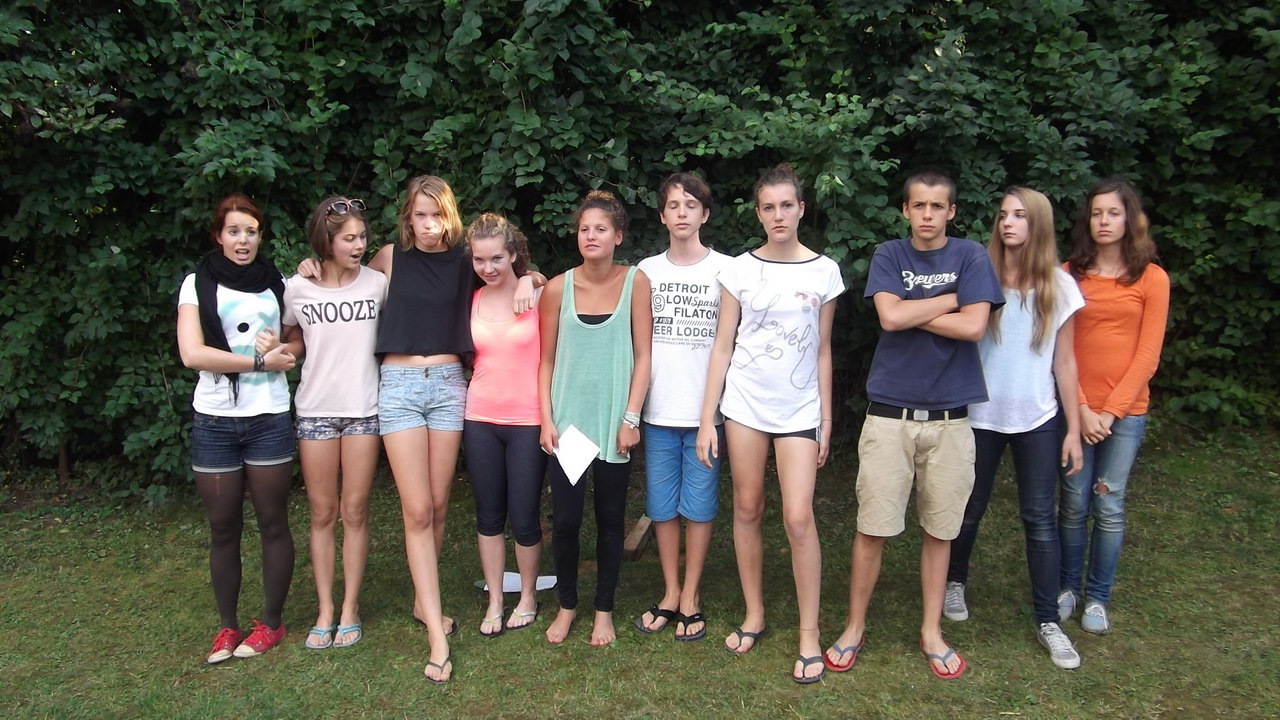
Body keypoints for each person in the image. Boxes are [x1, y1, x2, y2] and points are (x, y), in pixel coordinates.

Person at [296, 176, 537, 682]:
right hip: (399, 386)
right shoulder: (389, 258)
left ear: (451, 216)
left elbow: (512, 274)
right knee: (418, 509)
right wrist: (310, 266)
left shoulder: (466, 262)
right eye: (420, 215)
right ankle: (436, 634)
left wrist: (527, 279)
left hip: (449, 386)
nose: (429, 225)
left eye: (438, 214)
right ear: (408, 216)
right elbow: (343, 273)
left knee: (439, 505)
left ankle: (419, 601)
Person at [825, 170, 1003, 680]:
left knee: (940, 531)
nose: (927, 214)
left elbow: (974, 326)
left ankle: (931, 631)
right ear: (905, 211)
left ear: (952, 212)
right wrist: (951, 298)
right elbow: (888, 318)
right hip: (890, 415)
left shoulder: (971, 256)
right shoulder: (890, 254)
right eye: (918, 205)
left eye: (937, 206)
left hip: (952, 419)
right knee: (872, 528)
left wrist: (910, 308)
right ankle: (854, 626)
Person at [696, 163, 844, 684]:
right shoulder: (738, 270)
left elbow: (823, 350)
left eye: (786, 205)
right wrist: (708, 418)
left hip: (800, 409)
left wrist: (826, 418)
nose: (778, 215)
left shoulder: (824, 271)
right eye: (768, 207)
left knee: (799, 518)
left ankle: (809, 633)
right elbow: (722, 346)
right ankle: (754, 613)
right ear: (757, 213)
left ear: (801, 209)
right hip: (745, 405)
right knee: (748, 507)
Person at [941, 187, 1085, 669]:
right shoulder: (978, 274)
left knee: (1040, 519)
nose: (1008, 223)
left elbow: (1065, 362)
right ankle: (954, 581)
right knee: (968, 509)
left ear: (1037, 224)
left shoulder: (1060, 286)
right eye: (1003, 214)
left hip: (1038, 419)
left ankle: (1048, 620)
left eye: (1020, 216)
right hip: (979, 415)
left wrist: (1073, 428)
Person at [176, 193, 297, 664]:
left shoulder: (277, 283)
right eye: (234, 231)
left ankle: (270, 623)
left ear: (260, 236)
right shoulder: (197, 283)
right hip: (215, 420)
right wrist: (259, 361)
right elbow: (193, 354)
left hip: (268, 416)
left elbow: (296, 341)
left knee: (272, 521)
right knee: (223, 526)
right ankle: (227, 627)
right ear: (218, 235)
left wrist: (282, 349)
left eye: (251, 231)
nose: (243, 240)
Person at [538, 189, 652, 647]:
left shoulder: (635, 282)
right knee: (566, 521)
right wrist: (546, 420)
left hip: (613, 424)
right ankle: (567, 606)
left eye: (601, 229)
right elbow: (546, 361)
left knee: (610, 519)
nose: (591, 235)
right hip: (569, 426)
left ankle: (603, 610)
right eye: (584, 229)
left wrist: (631, 418)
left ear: (617, 236)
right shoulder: (557, 289)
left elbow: (644, 357)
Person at [1057, 178, 1169, 635]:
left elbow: (1148, 355)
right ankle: (1067, 588)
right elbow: (1061, 348)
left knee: (1108, 503)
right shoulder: (1069, 273)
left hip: (1125, 414)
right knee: (1072, 502)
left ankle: (1098, 597)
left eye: (1114, 213)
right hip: (1076, 409)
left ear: (1130, 219)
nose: (1104, 221)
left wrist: (1110, 412)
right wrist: (1082, 408)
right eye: (1097, 213)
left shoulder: (1152, 277)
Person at [275, 197, 386, 650]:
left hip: (364, 409)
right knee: (322, 512)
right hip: (315, 410)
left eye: (362, 237)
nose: (359, 245)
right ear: (326, 240)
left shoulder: (377, 283)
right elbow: (292, 338)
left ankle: (350, 609)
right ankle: (324, 609)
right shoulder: (297, 288)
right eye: (349, 239)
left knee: (354, 511)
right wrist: (277, 349)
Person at [632, 173, 731, 642]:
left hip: (705, 416)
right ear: (662, 216)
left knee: (700, 506)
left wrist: (710, 417)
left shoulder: (727, 270)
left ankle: (691, 594)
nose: (682, 213)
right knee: (662, 506)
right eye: (673, 205)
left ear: (705, 214)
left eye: (691, 205)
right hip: (658, 412)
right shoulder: (646, 271)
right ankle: (670, 591)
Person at [463, 212, 547, 638]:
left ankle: (528, 596)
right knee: (489, 515)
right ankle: (496, 600)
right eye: (479, 260)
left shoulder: (538, 294)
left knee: (525, 515)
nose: (488, 267)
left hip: (528, 420)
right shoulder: (472, 299)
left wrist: (531, 279)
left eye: (496, 258)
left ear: (513, 254)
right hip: (479, 418)